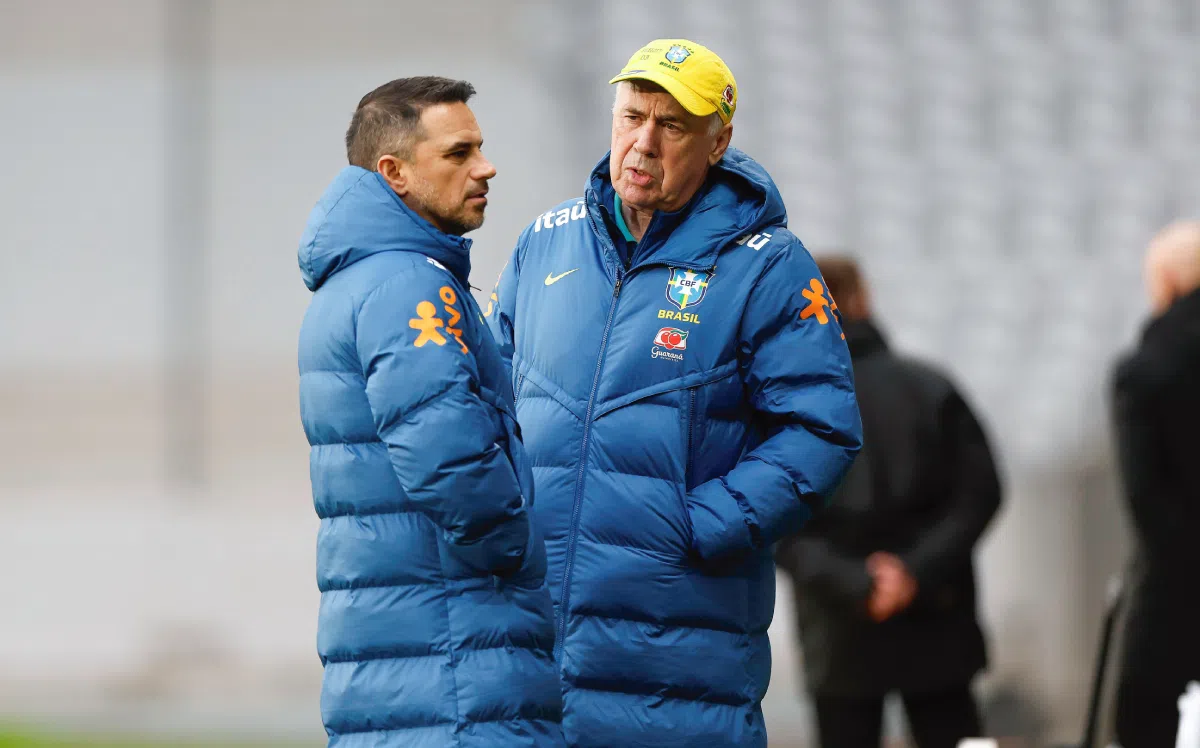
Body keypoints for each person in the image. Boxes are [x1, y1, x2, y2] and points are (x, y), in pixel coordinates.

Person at [485, 39, 862, 747]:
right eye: (631, 117)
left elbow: (822, 429)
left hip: (679, 653)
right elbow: (494, 402)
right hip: (535, 647)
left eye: (673, 126)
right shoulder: (545, 243)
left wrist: (698, 526)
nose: (643, 142)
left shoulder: (769, 266)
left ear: (717, 144)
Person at [296, 77, 563, 747]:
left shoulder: (363, 277)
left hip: (417, 669)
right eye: (459, 152)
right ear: (395, 173)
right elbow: (448, 458)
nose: (486, 166)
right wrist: (519, 549)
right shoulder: (407, 282)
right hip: (456, 672)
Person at [775, 255, 1002, 748]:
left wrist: (855, 581)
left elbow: (776, 523)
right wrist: (914, 572)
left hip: (838, 629)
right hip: (937, 616)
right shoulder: (931, 387)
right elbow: (981, 494)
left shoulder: (786, 408)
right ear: (862, 300)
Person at [1111, 221, 1200, 748]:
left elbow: (1148, 498)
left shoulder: (1145, 372)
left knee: (1145, 723)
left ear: (1165, 283)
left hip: (1177, 597)